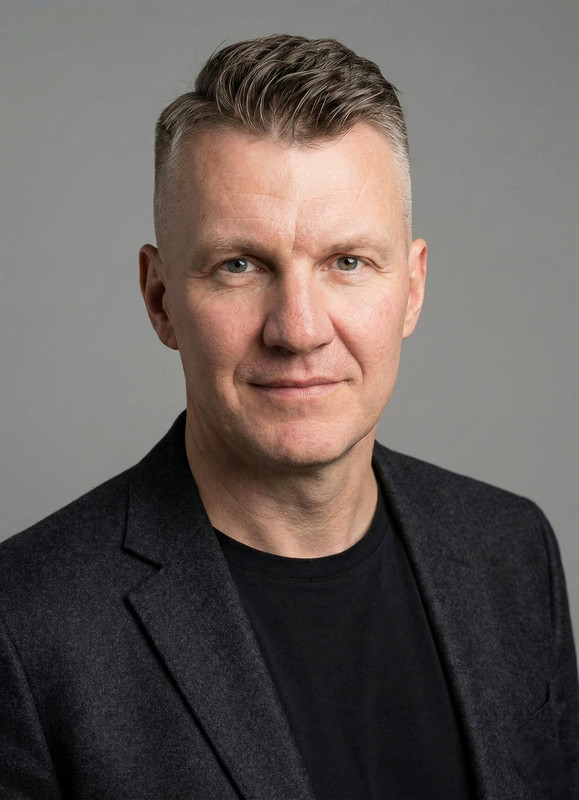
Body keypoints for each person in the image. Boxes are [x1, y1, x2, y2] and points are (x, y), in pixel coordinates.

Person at [0, 34, 576, 800]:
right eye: (239, 265)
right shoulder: (23, 625)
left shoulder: (511, 551)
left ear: (410, 289)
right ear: (160, 299)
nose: (298, 330)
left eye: (347, 262)